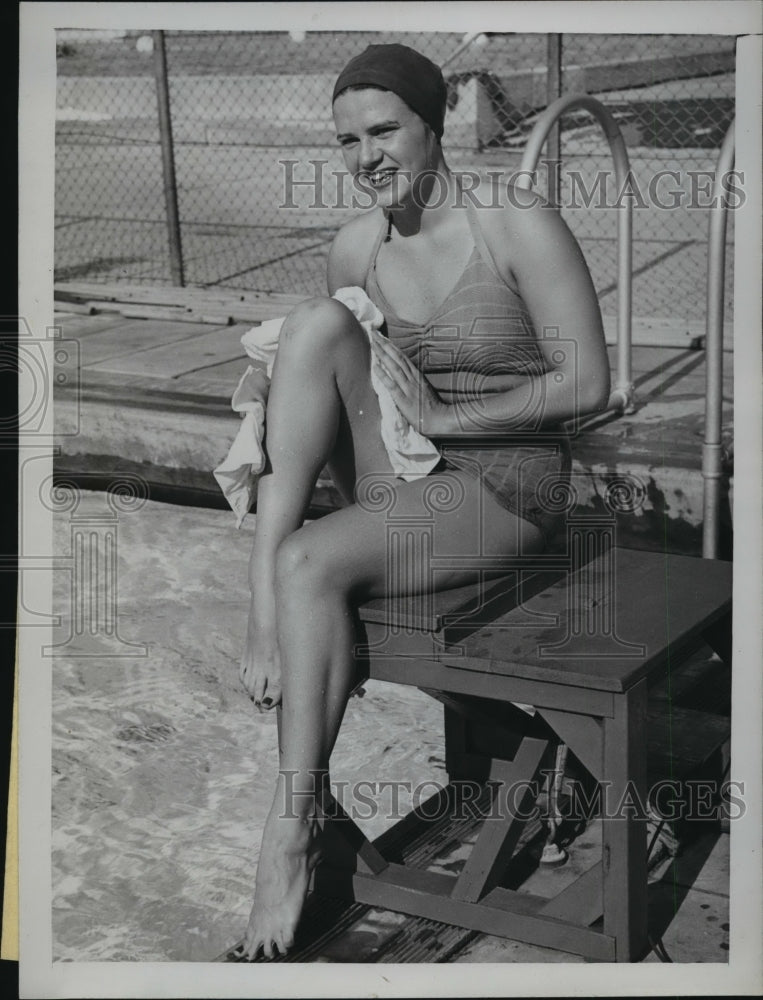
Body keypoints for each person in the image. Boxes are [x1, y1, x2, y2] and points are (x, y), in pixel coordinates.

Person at [238, 43, 610, 960]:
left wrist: (451, 415)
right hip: (409, 476)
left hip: (509, 481)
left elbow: (590, 381)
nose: (365, 156)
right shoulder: (356, 245)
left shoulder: (512, 221)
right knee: (316, 328)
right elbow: (343, 404)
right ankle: (264, 607)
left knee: (312, 566)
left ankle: (289, 836)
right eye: (346, 140)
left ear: (433, 125)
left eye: (383, 130)